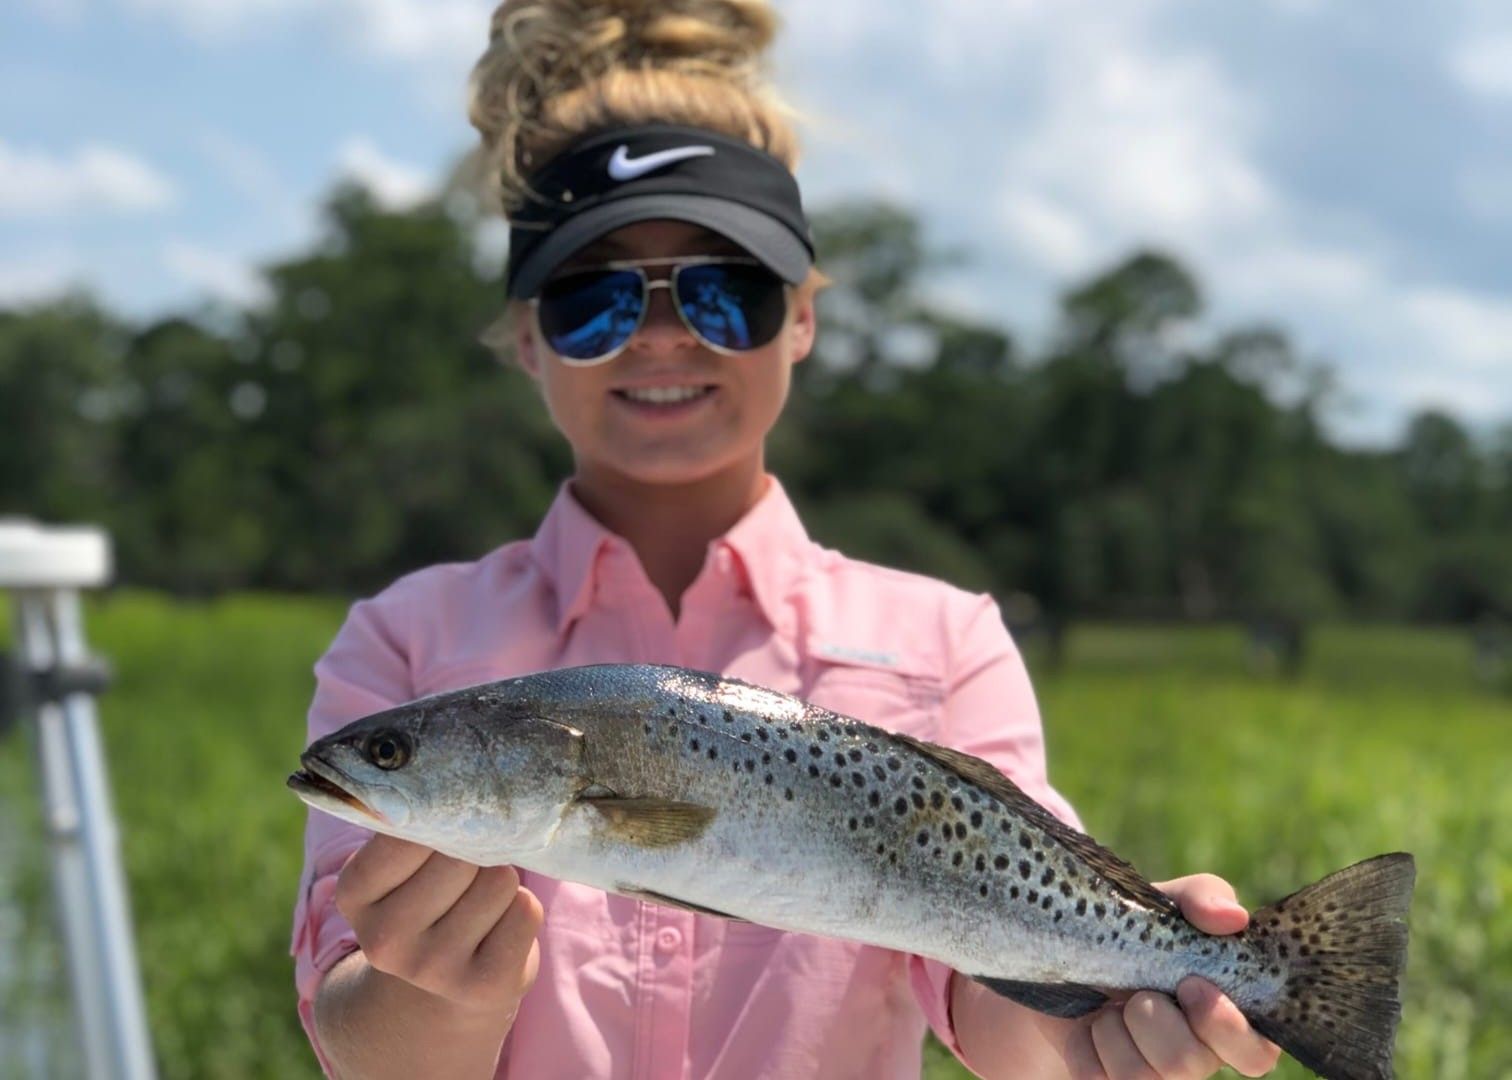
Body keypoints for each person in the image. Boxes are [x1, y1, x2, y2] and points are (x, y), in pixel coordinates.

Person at [290, 1, 1284, 1077]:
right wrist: (420, 988)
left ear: (803, 315)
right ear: (526, 336)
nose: (664, 333)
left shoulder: (949, 642)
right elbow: (361, 1049)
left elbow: (994, 1009)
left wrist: (1106, 1014)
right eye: (593, 301)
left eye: (727, 293)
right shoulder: (399, 640)